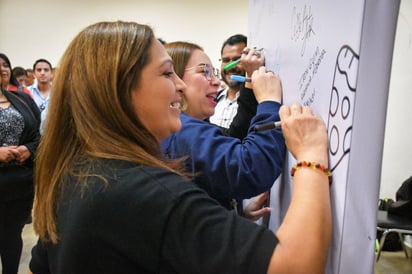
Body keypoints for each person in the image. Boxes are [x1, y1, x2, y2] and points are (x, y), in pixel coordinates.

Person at [28, 21, 332, 274]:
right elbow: (295, 266)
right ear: (120, 91)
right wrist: (310, 159)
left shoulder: (76, 172)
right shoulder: (145, 191)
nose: (181, 86)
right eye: (166, 73)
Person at [162, 41, 285, 213]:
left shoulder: (181, 127)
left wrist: (231, 215)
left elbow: (233, 139)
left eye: (214, 73)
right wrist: (269, 101)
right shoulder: (185, 131)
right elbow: (251, 170)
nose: (217, 82)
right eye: (205, 71)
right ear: (175, 77)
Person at [0, 53, 41, 274]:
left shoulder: (21, 99)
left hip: (19, 183)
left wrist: (29, 149)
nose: (3, 69)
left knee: (11, 236)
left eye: (6, 64)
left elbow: (37, 135)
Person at [209, 34, 249, 129]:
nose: (231, 66)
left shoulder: (253, 104)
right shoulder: (212, 100)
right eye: (226, 60)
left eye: (237, 60)